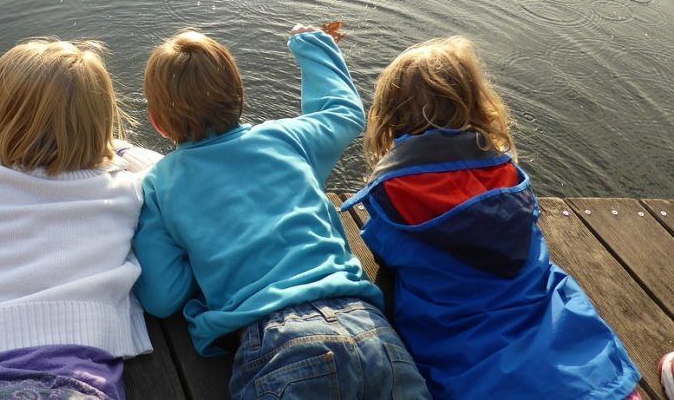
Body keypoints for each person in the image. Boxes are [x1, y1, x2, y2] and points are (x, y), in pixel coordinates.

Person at [134, 25, 429, 400]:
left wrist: (208, 257)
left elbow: (162, 297)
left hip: (278, 341)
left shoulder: (160, 183)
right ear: (240, 95)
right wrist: (312, 44)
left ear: (158, 123)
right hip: (371, 330)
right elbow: (343, 112)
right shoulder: (289, 137)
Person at [340, 36, 641, 399]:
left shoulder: (392, 193)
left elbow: (383, 249)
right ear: (477, 105)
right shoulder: (509, 175)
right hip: (578, 364)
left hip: (471, 363)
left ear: (388, 116)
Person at [0, 39, 158, 400]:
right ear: (100, 121)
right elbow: (168, 171)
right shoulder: (126, 190)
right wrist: (121, 151)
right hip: (78, 373)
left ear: (4, 118)